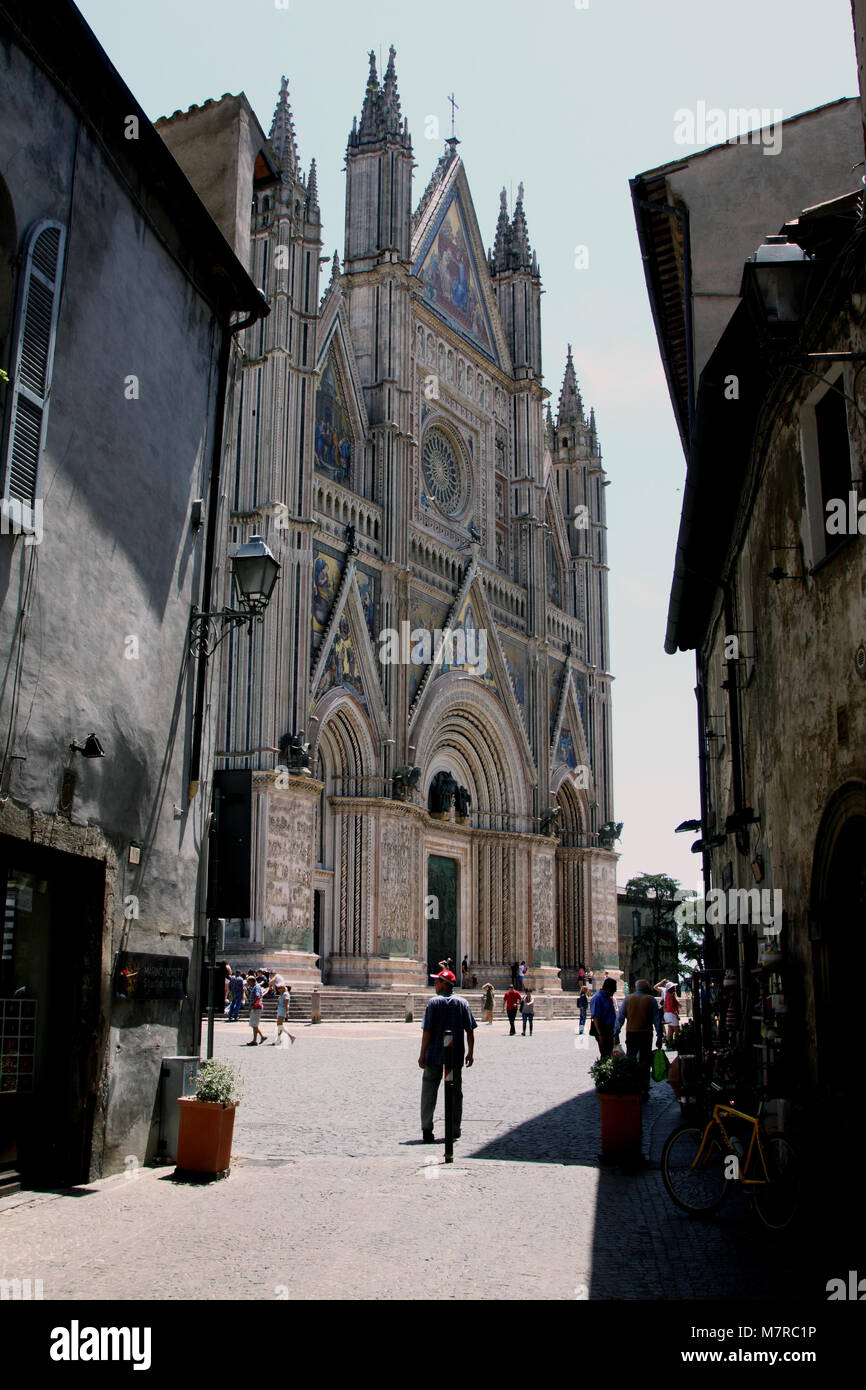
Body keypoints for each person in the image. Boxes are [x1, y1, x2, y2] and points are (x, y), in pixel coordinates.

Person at [418, 969, 477, 1143]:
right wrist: (470, 1052)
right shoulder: (462, 1003)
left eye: (437, 981)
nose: (435, 984)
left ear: (444, 983)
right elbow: (470, 1030)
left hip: (434, 1054)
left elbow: (426, 1031)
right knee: (455, 1092)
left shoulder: (433, 1003)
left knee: (429, 1090)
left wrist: (422, 1054)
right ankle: (454, 1128)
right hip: (455, 1055)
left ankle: (427, 1129)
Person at [613, 978, 663, 1097]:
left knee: (631, 1059)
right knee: (645, 1061)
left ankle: (632, 1084)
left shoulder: (628, 998)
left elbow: (620, 1017)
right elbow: (657, 1020)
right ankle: (644, 1087)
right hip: (646, 1034)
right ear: (646, 988)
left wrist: (616, 1033)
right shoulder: (651, 1000)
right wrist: (659, 1036)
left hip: (631, 1033)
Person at [589, 977, 617, 1058]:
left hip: (609, 1029)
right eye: (613, 989)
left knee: (609, 1052)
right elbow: (595, 1018)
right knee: (605, 1053)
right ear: (608, 989)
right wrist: (600, 1034)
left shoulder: (607, 997)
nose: (615, 991)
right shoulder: (597, 998)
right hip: (603, 1029)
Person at [247, 972, 268, 1045]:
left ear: (253, 981)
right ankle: (260, 1037)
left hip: (256, 1007)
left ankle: (256, 1040)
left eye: (248, 982)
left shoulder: (256, 987)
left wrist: (251, 1005)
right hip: (256, 1007)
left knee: (254, 1024)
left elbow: (257, 996)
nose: (248, 984)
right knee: (254, 1024)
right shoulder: (256, 987)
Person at [662, 980, 680, 1045]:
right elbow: (673, 1006)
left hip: (667, 1014)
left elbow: (664, 1005)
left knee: (670, 1030)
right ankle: (677, 1044)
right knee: (677, 1030)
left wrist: (666, 1013)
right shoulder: (672, 995)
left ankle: (668, 1043)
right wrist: (677, 1015)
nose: (675, 987)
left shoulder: (666, 995)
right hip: (672, 1014)